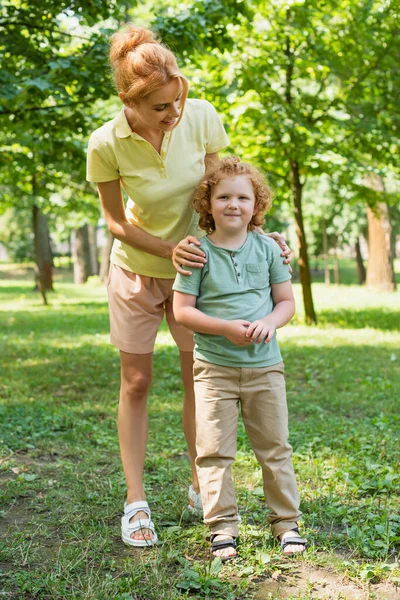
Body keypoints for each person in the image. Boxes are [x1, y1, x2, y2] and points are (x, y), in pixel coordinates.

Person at [86, 24, 291, 547]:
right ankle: (136, 502)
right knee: (135, 383)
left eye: (177, 99)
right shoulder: (106, 143)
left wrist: (262, 237)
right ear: (130, 102)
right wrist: (167, 249)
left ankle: (202, 484)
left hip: (198, 277)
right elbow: (115, 221)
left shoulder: (200, 116)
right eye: (160, 107)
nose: (173, 113)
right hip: (137, 269)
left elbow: (225, 193)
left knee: (198, 381)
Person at [173, 157, 307, 560]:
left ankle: (286, 522)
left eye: (243, 197)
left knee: (274, 447)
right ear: (208, 204)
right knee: (213, 451)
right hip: (214, 368)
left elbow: (286, 302)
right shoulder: (197, 252)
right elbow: (183, 311)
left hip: (265, 366)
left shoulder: (268, 249)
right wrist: (224, 327)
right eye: (224, 196)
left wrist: (269, 321)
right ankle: (222, 528)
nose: (234, 204)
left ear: (256, 204)